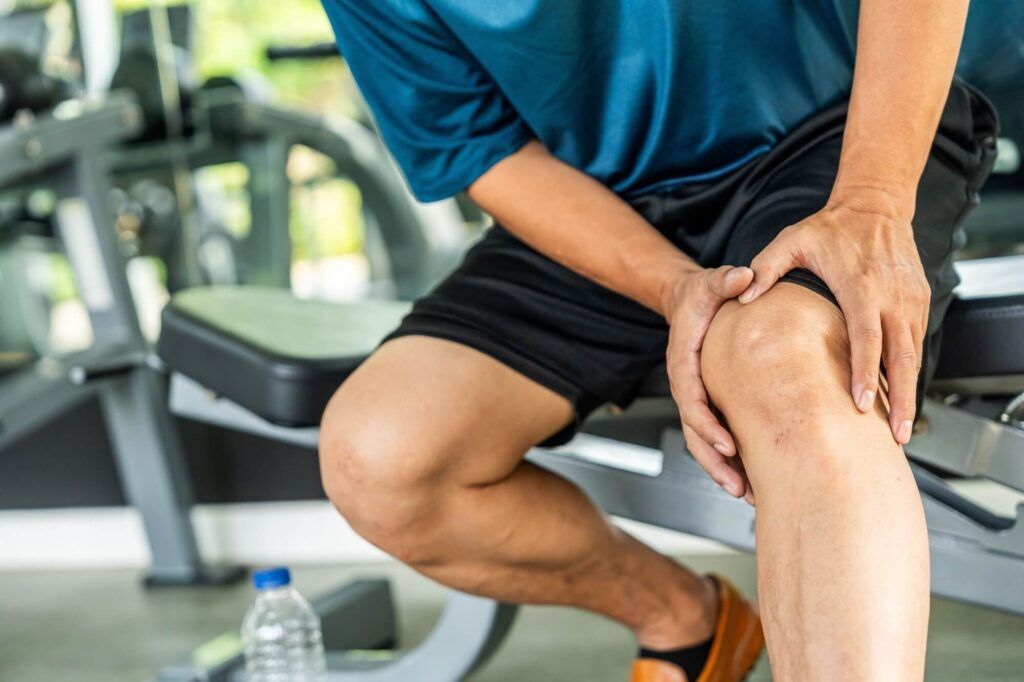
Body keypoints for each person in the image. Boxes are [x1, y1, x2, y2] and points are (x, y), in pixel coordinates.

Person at [317, 1, 997, 679]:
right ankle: (688, 623)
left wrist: (873, 200)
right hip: (594, 198)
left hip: (834, 137)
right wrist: (674, 288)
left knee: (785, 360)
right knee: (380, 459)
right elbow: (483, 149)